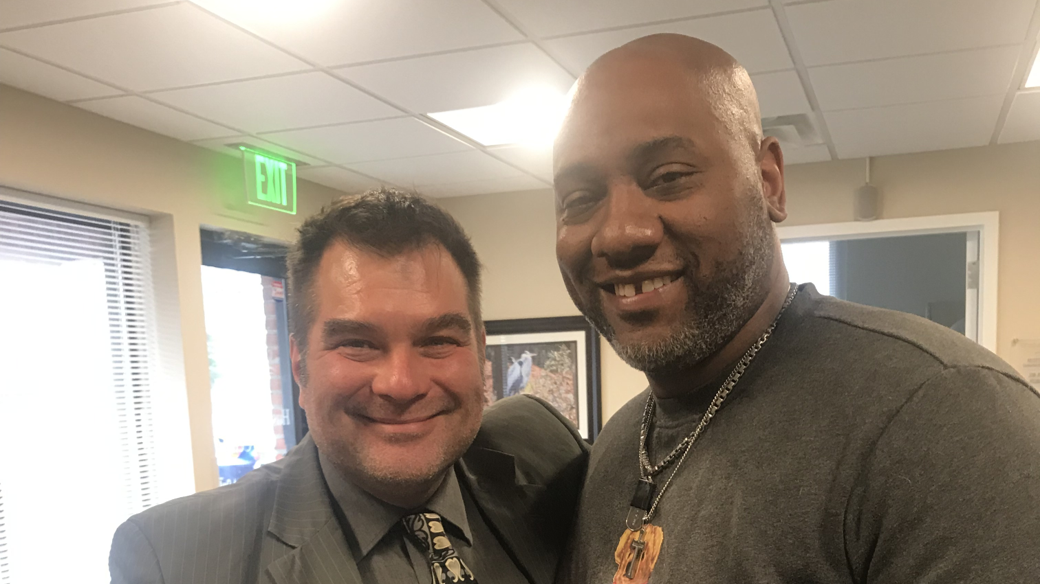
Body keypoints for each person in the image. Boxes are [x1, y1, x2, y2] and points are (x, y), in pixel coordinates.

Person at [553, 34, 1040, 583]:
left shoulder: (944, 419)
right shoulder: (616, 448)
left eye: (668, 177)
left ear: (768, 182)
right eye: (579, 200)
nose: (620, 234)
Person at [109, 189, 587, 584]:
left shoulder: (547, 450)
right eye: (358, 343)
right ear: (299, 365)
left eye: (438, 340)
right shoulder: (173, 559)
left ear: (479, 350)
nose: (402, 384)